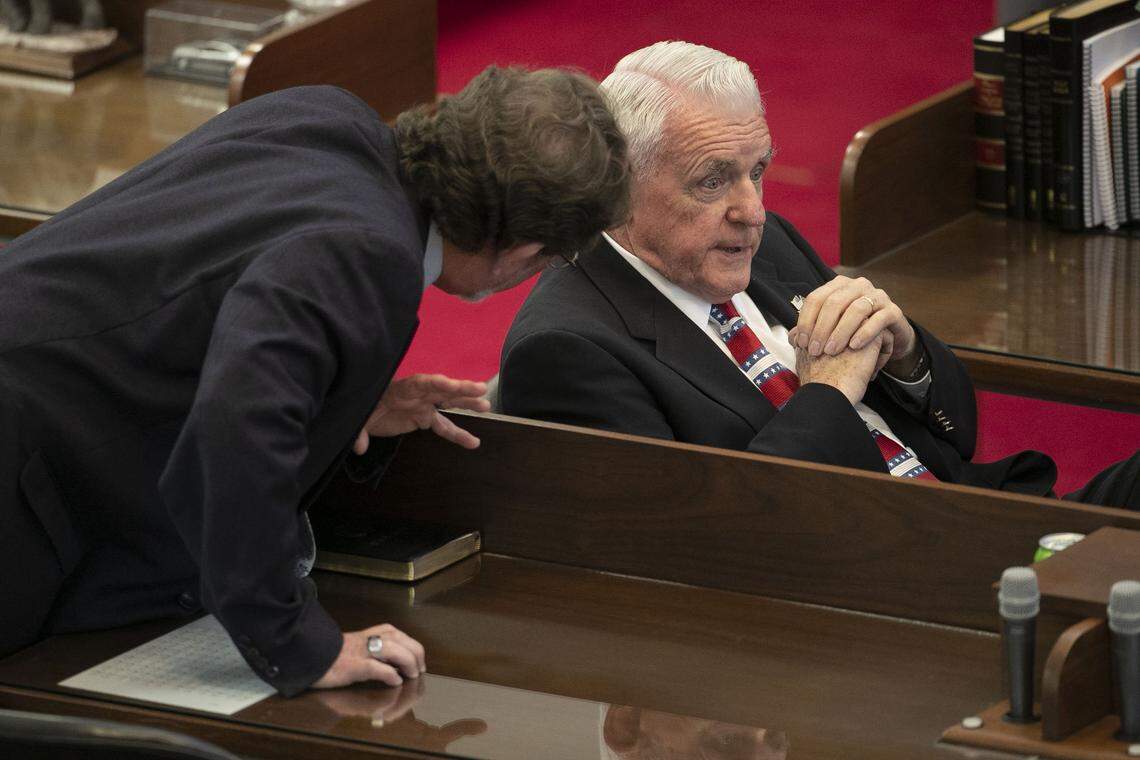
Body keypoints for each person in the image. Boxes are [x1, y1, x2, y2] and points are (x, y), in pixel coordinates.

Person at [0, 65, 629, 695]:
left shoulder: (326, 113)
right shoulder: (365, 251)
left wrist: (338, 397)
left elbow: (208, 299)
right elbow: (230, 438)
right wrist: (301, 644)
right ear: (525, 249)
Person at [499, 41, 1139, 509]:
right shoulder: (569, 351)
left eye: (758, 171)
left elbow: (960, 436)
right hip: (896, 590)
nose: (751, 210)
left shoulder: (762, 244)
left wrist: (907, 356)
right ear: (618, 186)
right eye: (713, 180)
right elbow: (709, 543)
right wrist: (828, 394)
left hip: (986, 514)